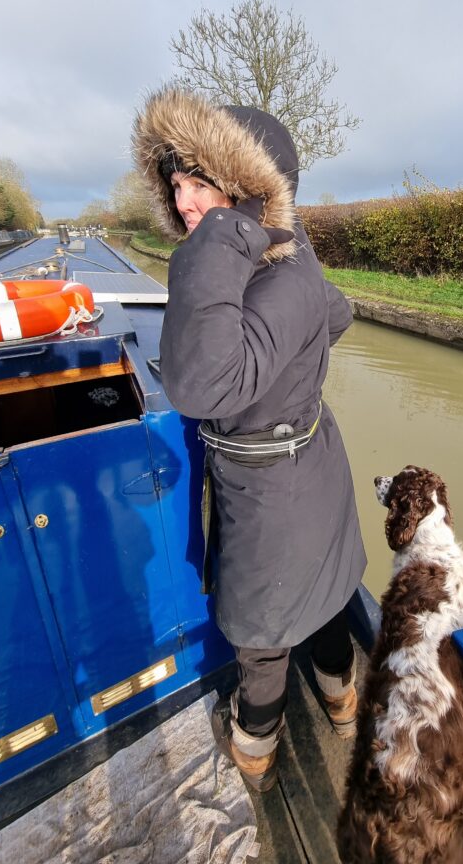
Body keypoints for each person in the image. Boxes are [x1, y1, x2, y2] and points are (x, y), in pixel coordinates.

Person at [132, 87, 366, 792]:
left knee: (263, 637)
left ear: (250, 190)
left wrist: (225, 241)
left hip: (276, 487)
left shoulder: (274, 276)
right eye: (176, 186)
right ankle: (343, 702)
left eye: (200, 183)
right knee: (324, 600)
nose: (183, 204)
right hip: (305, 461)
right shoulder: (287, 261)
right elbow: (342, 315)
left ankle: (256, 748)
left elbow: (199, 387)